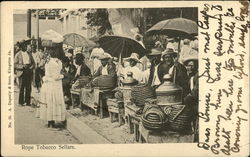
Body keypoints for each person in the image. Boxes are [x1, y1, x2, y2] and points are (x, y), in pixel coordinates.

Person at [39, 48, 66, 128]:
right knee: (53, 102)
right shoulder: (54, 63)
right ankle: (52, 122)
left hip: (48, 84)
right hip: (53, 85)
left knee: (49, 102)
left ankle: (50, 121)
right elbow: (56, 76)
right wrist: (63, 76)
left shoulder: (49, 62)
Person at [183, 55, 199, 142]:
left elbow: (195, 92)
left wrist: (185, 99)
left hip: (196, 103)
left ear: (196, 66)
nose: (190, 67)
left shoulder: (198, 76)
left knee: (196, 121)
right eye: (188, 65)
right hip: (191, 103)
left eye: (192, 65)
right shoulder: (190, 77)